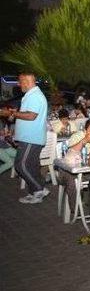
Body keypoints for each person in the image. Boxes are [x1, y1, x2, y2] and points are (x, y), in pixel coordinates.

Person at [0, 73, 49, 203]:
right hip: (30, 137)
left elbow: (31, 116)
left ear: (27, 81)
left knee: (20, 165)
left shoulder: (35, 96)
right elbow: (26, 115)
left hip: (31, 138)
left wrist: (11, 113)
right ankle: (34, 192)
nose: (18, 84)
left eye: (20, 81)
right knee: (31, 166)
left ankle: (39, 189)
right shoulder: (31, 95)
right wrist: (15, 115)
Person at [58, 118, 90, 212]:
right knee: (73, 180)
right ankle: (75, 210)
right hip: (69, 170)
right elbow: (69, 154)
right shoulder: (77, 136)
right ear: (85, 131)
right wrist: (84, 141)